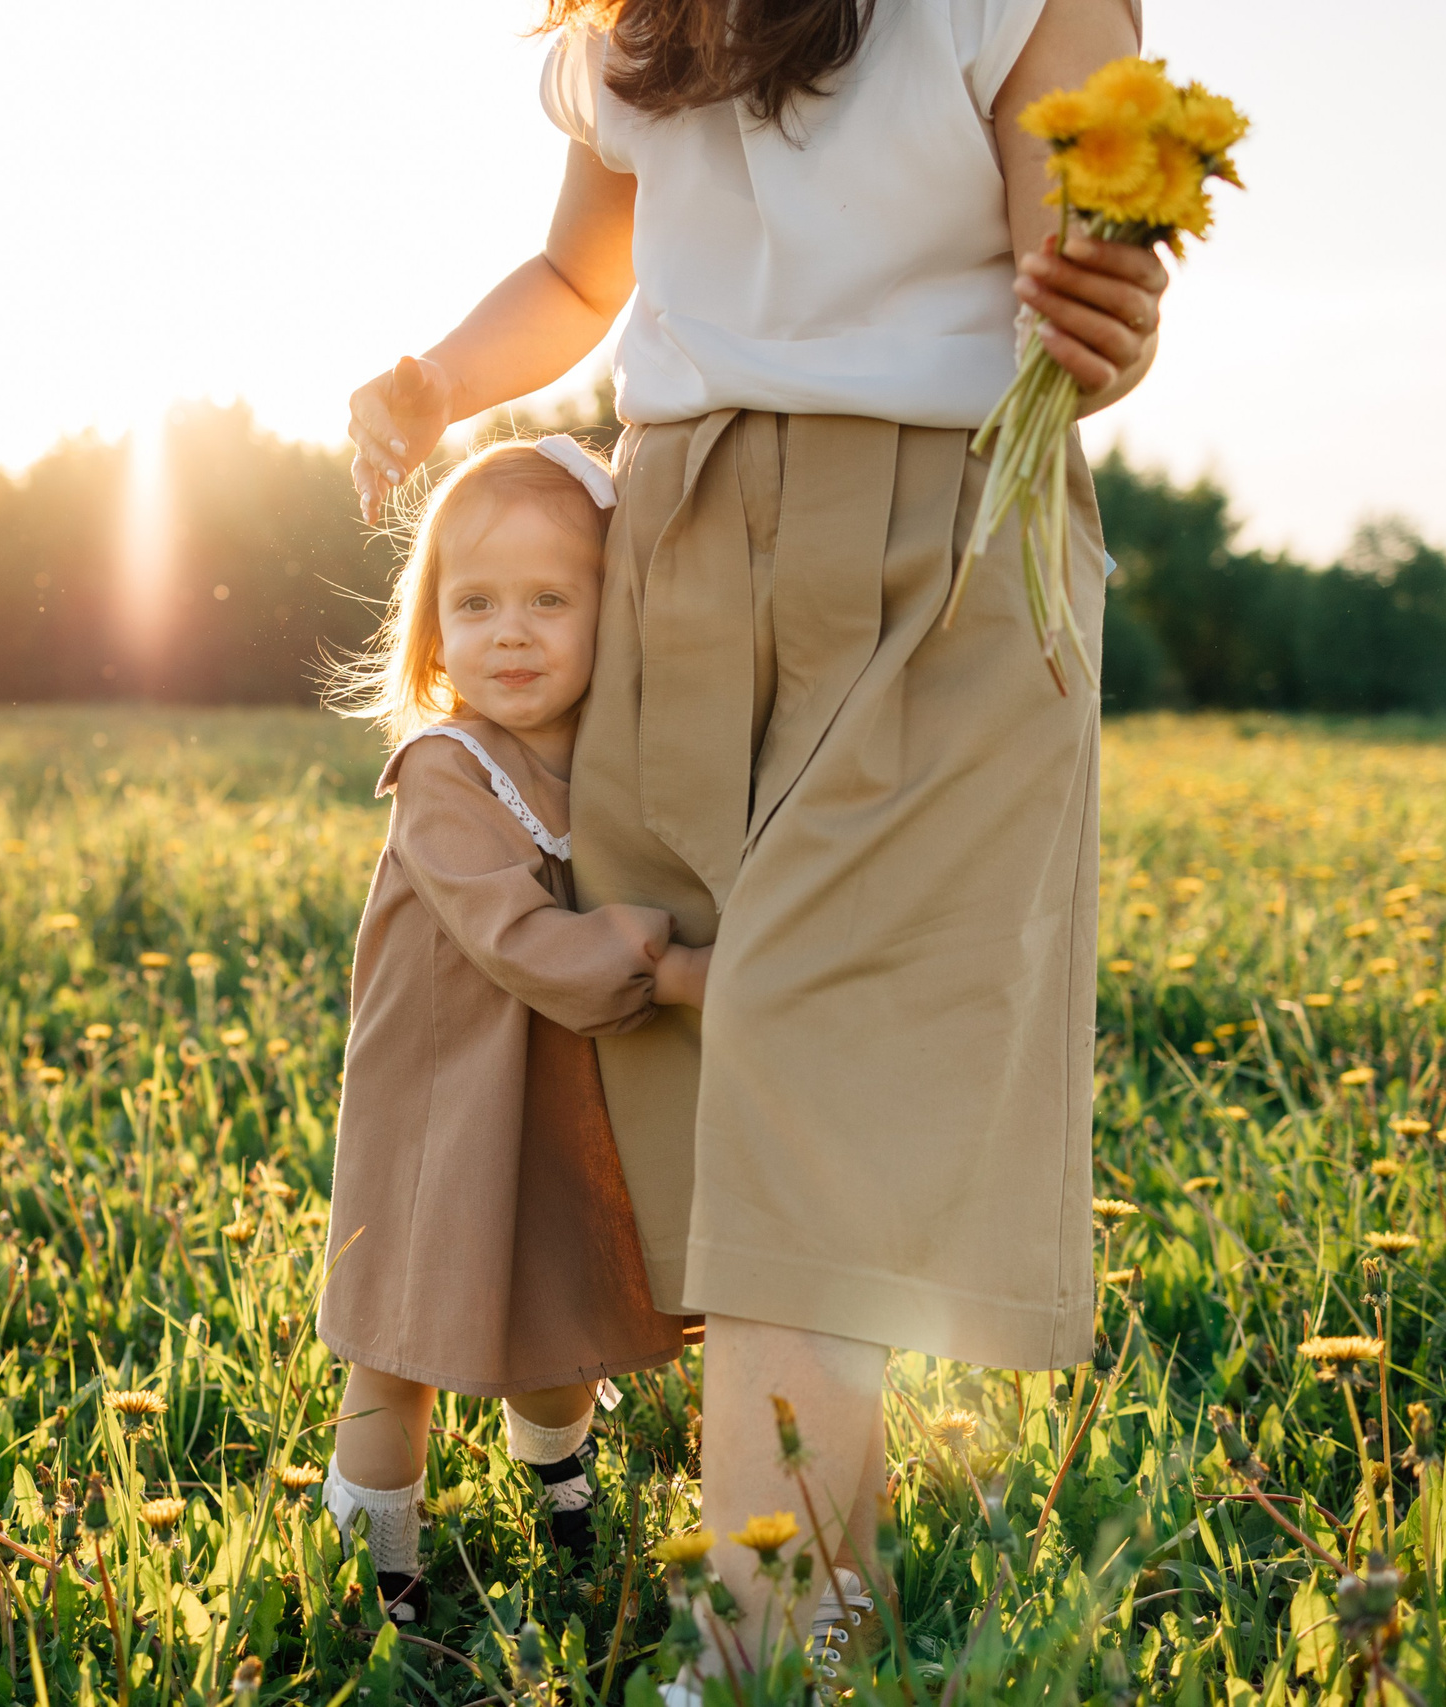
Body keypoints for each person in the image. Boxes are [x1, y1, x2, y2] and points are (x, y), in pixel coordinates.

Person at [344, 0, 1167, 1680]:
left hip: (943, 533)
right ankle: (824, 1586)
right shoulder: (632, 25)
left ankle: (766, 1637)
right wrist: (436, 381)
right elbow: (578, 273)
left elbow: (1082, 266)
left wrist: (1111, 312)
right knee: (709, 1057)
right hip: (679, 536)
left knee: (813, 1038)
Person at [316, 435, 714, 1625]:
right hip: (437, 1095)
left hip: (549, 1083)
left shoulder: (607, 759)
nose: (512, 634)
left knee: (554, 1288)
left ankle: (558, 1469)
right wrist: (674, 971)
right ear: (434, 632)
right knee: (403, 1330)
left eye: (550, 600)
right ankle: (376, 1560)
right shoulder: (445, 770)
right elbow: (518, 938)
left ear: (612, 614)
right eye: (476, 604)